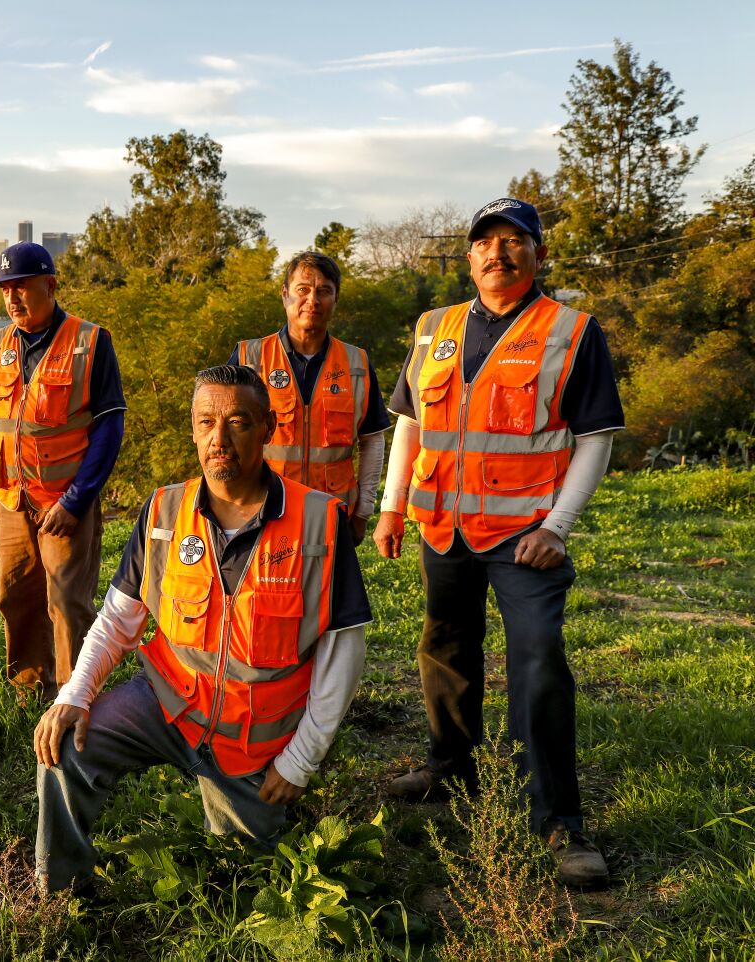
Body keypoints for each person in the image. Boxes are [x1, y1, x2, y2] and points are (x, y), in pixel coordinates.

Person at [34, 364, 370, 893]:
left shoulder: (320, 522)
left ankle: (244, 825)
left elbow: (343, 656)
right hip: (169, 702)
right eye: (205, 422)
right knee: (66, 745)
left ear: (268, 427)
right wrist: (74, 693)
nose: (219, 438)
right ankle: (59, 891)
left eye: (237, 421)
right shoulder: (164, 510)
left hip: (256, 736)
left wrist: (301, 760)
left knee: (242, 883)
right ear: (191, 429)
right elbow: (119, 620)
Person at [373, 197, 624, 888]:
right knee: (443, 645)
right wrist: (393, 507)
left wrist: (557, 527)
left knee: (538, 660)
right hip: (443, 528)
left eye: (517, 241)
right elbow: (409, 423)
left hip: (525, 537)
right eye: (487, 241)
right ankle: (450, 767)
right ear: (469, 256)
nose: (499, 252)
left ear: (539, 256)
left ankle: (559, 825)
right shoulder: (435, 329)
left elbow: (595, 438)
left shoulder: (571, 332)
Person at [0, 242, 126, 702]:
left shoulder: (90, 342)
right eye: (5, 290)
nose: (12, 299)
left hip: (64, 501)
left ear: (50, 285)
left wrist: (76, 501)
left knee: (68, 605)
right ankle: (29, 692)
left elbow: (110, 427)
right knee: (15, 598)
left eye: (22, 288)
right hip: (10, 499)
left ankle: (74, 700)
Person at [231, 251, 390, 542]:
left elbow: (372, 440)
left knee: (329, 589)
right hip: (261, 514)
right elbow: (222, 437)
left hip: (332, 515)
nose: (312, 300)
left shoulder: (357, 364)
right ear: (285, 295)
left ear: (336, 299)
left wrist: (364, 511)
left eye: (324, 291)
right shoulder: (249, 359)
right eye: (302, 289)